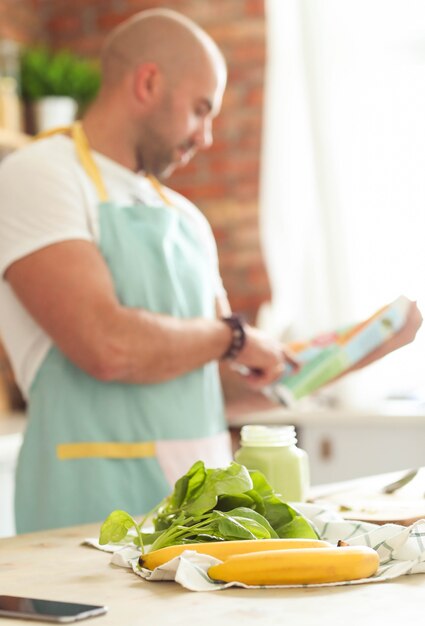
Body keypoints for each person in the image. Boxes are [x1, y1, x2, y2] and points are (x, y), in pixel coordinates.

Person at [0, 9, 421, 534]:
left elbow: (219, 380)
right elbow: (106, 346)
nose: (207, 137)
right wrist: (232, 336)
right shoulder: (37, 175)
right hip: (86, 516)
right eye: (201, 110)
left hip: (196, 523)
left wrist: (353, 352)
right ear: (149, 82)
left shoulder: (187, 219)